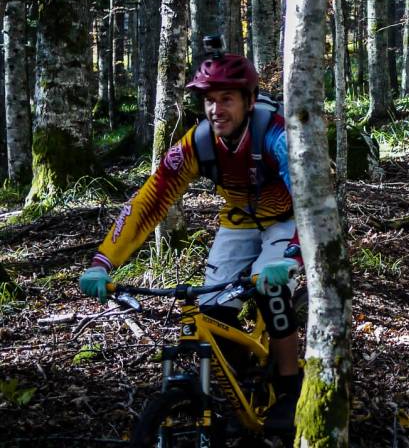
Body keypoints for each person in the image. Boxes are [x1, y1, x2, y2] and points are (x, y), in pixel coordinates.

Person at [77, 49, 303, 431]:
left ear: (249, 101)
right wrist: (103, 262)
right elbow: (149, 200)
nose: (216, 110)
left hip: (287, 218)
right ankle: (240, 384)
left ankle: (289, 387)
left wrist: (292, 256)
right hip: (239, 220)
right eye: (209, 100)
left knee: (271, 290)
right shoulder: (198, 142)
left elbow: (311, 198)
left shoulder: (276, 135)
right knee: (212, 307)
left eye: (227, 99)